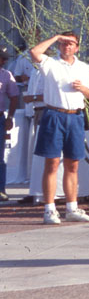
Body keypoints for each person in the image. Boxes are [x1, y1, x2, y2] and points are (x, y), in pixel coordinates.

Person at [31, 32, 89, 224]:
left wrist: (82, 89)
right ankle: (49, 209)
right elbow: (35, 52)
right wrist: (55, 37)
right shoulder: (51, 63)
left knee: (73, 164)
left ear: (77, 47)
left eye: (71, 44)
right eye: (64, 43)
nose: (67, 47)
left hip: (75, 116)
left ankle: (72, 207)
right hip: (54, 114)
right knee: (51, 163)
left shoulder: (84, 68)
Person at [0, 50, 20, 202]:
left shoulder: (6, 75)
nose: (4, 61)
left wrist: (10, 117)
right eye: (2, 58)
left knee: (0, 158)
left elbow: (14, 97)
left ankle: (1, 189)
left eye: (4, 59)